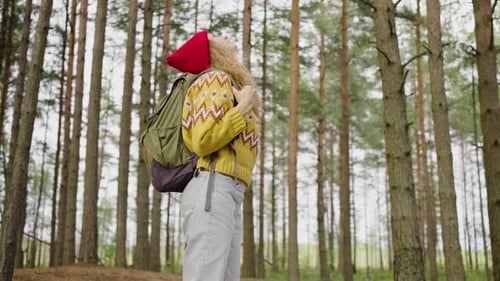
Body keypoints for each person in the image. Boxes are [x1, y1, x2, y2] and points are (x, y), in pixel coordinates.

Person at [166, 30, 260, 281]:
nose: (225, 34)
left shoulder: (229, 82)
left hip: (228, 189)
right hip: (214, 185)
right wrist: (243, 108)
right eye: (216, 36)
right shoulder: (214, 80)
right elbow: (203, 139)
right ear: (211, 51)